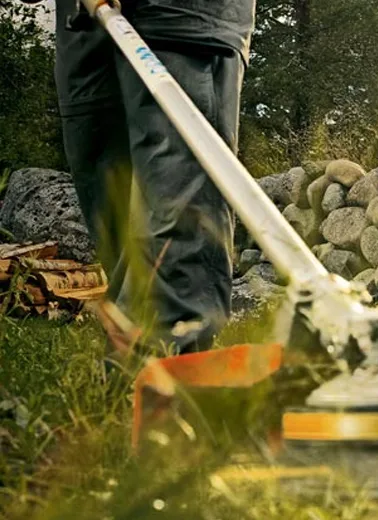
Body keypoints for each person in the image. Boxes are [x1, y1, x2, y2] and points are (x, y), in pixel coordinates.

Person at [54, 0, 255, 362]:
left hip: (182, 18)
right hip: (84, 24)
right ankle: (132, 380)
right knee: (113, 213)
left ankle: (167, 386)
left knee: (177, 219)